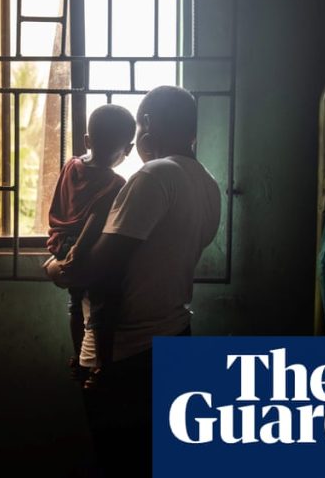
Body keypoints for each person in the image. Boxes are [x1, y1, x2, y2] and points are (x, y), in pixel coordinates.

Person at [48, 86, 221, 476]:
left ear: (147, 124)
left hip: (125, 354)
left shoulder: (154, 176)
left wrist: (50, 269)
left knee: (119, 460)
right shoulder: (208, 185)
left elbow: (91, 271)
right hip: (176, 336)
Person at [44, 104, 135, 383]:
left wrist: (64, 246)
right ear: (128, 149)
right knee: (102, 306)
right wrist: (78, 252)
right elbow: (95, 221)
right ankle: (101, 367)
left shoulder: (71, 166)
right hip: (83, 248)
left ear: (87, 140)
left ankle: (77, 357)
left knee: (74, 304)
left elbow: (61, 201)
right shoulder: (115, 182)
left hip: (59, 242)